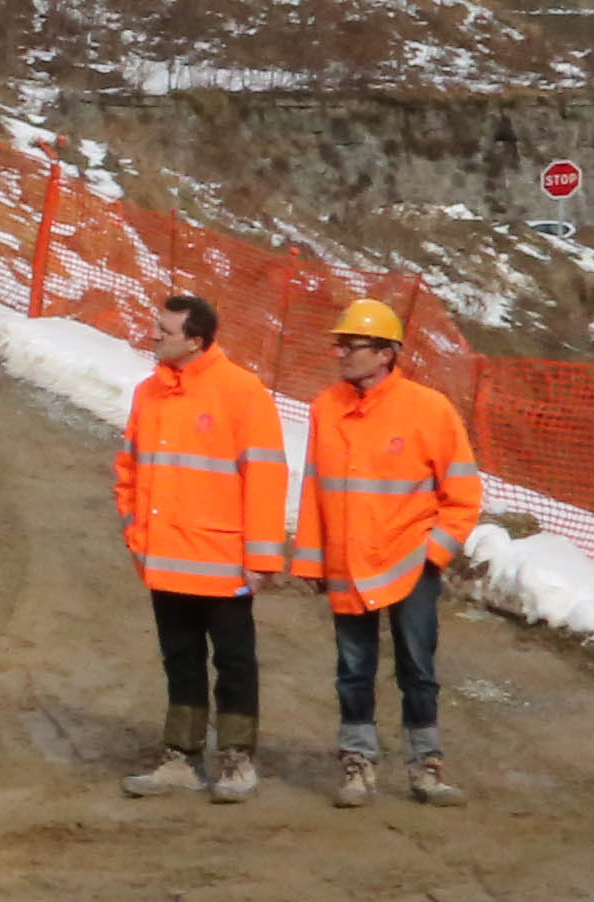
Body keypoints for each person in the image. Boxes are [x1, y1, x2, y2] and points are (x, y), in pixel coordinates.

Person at [301, 299, 485, 807]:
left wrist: (435, 554)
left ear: (386, 354)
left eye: (351, 346)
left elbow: (463, 493)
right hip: (347, 561)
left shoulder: (429, 410)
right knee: (353, 668)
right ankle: (357, 762)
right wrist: (313, 559)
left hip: (409, 563)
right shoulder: (326, 408)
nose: (341, 354)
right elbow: (314, 487)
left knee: (417, 667)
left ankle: (427, 765)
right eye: (340, 344)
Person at [114, 290, 292, 802]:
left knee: (234, 661)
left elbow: (265, 477)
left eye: (164, 331)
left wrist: (261, 558)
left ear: (195, 340)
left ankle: (237, 761)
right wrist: (137, 534)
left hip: (222, 563)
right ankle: (181, 757)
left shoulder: (241, 392)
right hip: (166, 559)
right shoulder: (149, 393)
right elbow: (128, 469)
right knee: (180, 658)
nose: (154, 337)